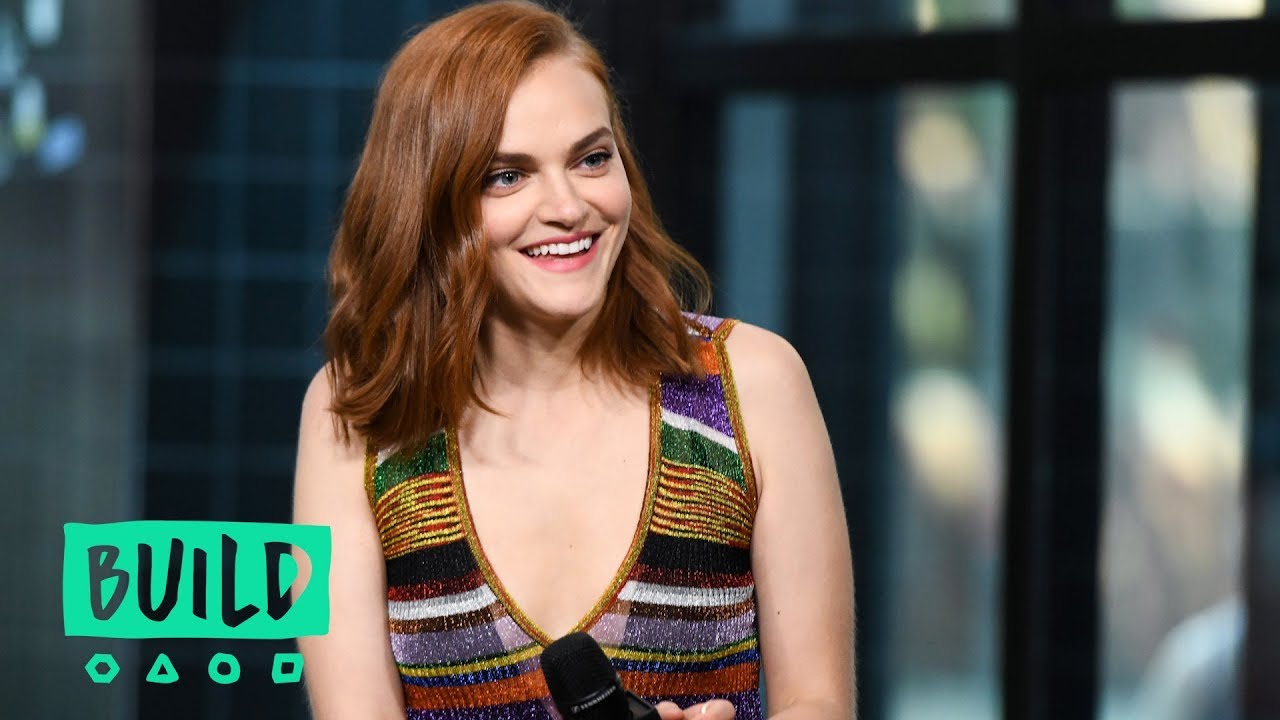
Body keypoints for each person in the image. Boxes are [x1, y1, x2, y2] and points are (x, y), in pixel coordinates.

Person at [292, 1, 854, 718]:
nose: (567, 206)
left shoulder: (754, 382)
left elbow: (819, 701)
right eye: (507, 175)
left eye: (592, 159)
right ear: (427, 203)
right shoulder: (358, 410)